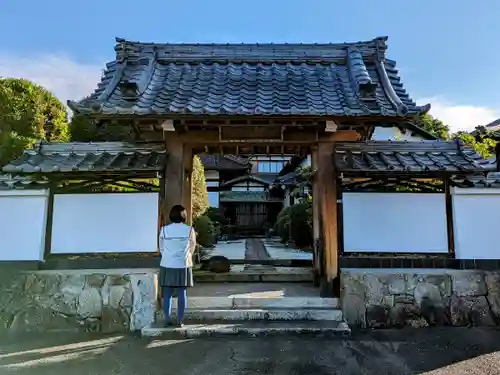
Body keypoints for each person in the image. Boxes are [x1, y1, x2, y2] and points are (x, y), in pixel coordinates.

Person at [158, 204, 196, 327]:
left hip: (167, 264)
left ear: (171, 216)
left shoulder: (164, 230)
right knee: (181, 293)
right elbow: (192, 247)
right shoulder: (189, 230)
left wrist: (168, 256)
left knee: (167, 293)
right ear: (184, 216)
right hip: (183, 265)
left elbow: (161, 247)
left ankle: (167, 319)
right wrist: (186, 256)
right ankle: (180, 320)